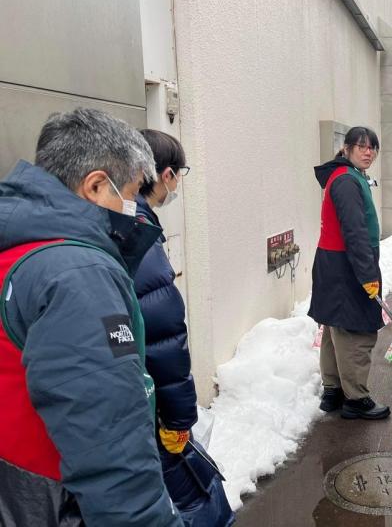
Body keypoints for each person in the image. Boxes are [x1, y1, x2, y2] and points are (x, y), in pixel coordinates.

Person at [0, 109, 182, 526]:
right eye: (134, 191)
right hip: (57, 499)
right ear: (97, 185)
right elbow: (110, 445)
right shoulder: (77, 274)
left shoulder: (20, 246)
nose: (136, 206)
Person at [135, 130, 234, 526]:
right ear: (168, 174)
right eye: (180, 174)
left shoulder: (118, 224)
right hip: (150, 406)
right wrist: (178, 419)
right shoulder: (137, 234)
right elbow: (164, 336)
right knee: (193, 502)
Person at [309, 127, 390, 420]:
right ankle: (356, 398)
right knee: (355, 331)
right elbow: (354, 232)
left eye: (372, 148)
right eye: (361, 147)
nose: (368, 152)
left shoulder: (347, 176)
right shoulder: (346, 180)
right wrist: (368, 274)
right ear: (346, 149)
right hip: (346, 264)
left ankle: (333, 390)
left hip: (335, 263)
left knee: (335, 327)